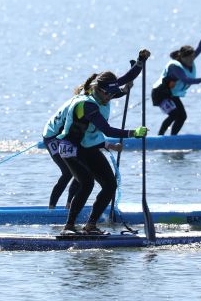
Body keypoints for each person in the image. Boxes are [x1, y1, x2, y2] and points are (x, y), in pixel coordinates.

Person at [57, 49, 151, 235]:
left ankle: (90, 225)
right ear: (98, 90)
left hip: (88, 147)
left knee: (110, 185)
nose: (110, 98)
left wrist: (140, 61)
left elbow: (128, 76)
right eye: (107, 94)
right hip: (71, 148)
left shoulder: (104, 91)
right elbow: (107, 130)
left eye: (111, 94)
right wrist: (134, 133)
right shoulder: (87, 104)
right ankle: (68, 226)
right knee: (87, 183)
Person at [43, 74, 131, 210]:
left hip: (74, 137)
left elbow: (116, 87)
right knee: (68, 172)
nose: (108, 98)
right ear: (96, 88)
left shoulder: (97, 94)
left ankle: (69, 205)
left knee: (82, 171)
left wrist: (138, 65)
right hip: (53, 135)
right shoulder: (86, 102)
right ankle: (51, 208)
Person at [152, 21, 201, 135]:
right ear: (182, 57)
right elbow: (185, 79)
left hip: (171, 94)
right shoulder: (175, 66)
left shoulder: (190, 58)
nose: (191, 60)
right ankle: (160, 137)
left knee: (183, 116)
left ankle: (173, 138)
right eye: (188, 59)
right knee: (174, 114)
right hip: (160, 94)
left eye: (192, 58)